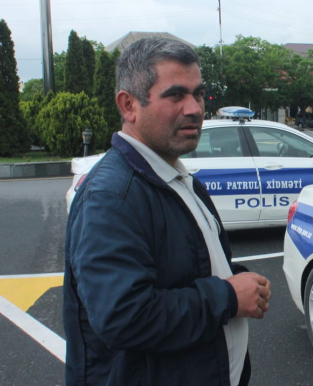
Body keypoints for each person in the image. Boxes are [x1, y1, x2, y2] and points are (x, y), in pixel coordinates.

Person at [63, 37, 271, 386]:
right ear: (129, 105)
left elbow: (182, 268)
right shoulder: (112, 196)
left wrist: (237, 278)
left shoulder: (176, 177)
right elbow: (124, 316)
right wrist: (228, 296)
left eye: (199, 94)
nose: (194, 108)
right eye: (175, 95)